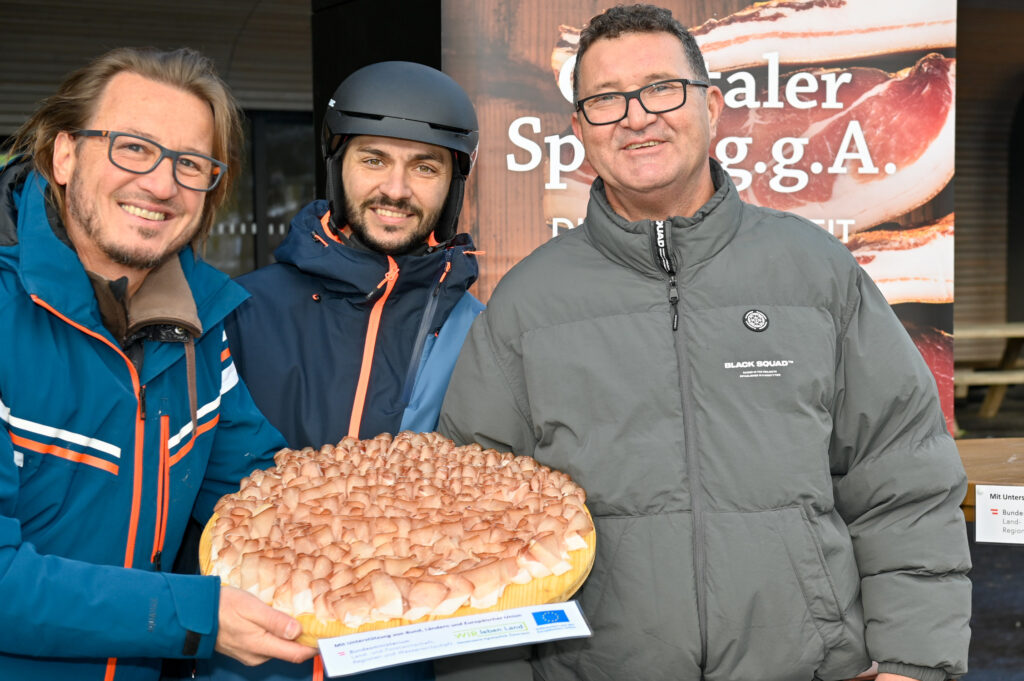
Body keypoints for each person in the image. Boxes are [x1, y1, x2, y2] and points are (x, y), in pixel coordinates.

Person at [438, 5, 971, 681]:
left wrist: (913, 665)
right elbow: (468, 537)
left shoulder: (817, 272)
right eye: (605, 100)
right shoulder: (525, 305)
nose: (636, 116)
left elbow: (903, 482)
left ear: (712, 106)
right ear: (579, 130)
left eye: (661, 88)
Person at [0, 47, 318, 681]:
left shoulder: (199, 325)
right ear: (65, 156)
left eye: (190, 163)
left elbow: (260, 486)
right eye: (134, 148)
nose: (161, 184)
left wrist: (408, 537)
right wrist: (192, 615)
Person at [196, 61, 484, 681]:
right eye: (374, 159)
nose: (397, 189)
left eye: (425, 167)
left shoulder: (481, 332)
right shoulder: (239, 311)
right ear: (336, 164)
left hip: (408, 662)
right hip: (255, 660)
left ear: (454, 184)